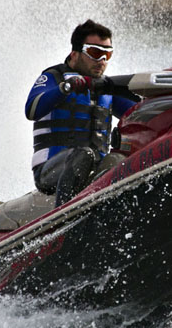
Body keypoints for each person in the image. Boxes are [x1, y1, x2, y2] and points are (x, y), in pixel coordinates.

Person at [25, 19, 139, 207]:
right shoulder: (53, 78)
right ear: (75, 54)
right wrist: (66, 88)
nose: (102, 60)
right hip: (50, 171)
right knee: (83, 154)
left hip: (93, 172)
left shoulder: (106, 90)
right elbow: (31, 110)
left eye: (107, 54)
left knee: (118, 159)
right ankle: (64, 217)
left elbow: (137, 114)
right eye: (95, 53)